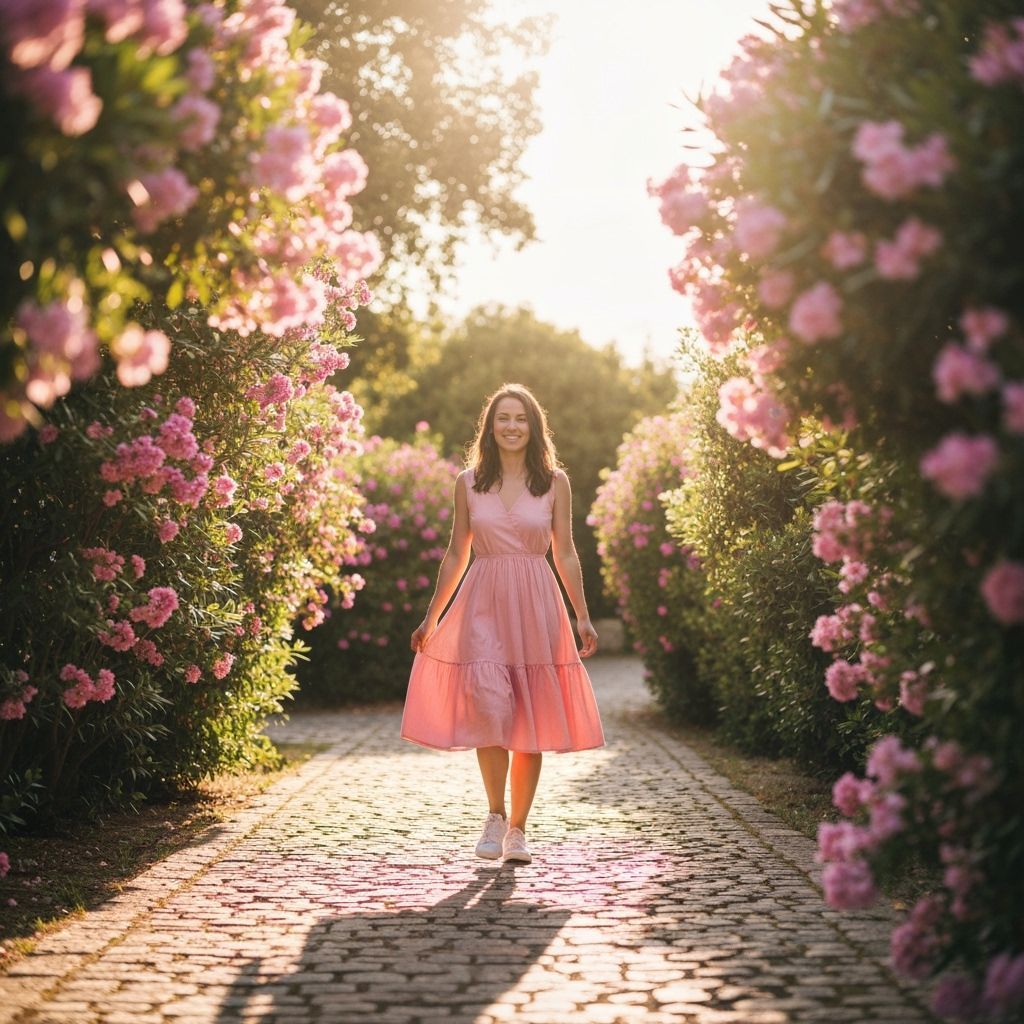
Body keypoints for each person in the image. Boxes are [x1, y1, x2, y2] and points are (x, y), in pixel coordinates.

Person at [400, 383, 605, 865]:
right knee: (489, 707)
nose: (512, 426)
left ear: (534, 427)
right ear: (490, 428)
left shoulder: (554, 482)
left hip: (536, 604)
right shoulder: (468, 481)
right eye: (503, 418)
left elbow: (565, 552)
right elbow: (457, 553)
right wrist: (432, 616)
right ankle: (495, 815)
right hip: (484, 602)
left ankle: (518, 830)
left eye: (521, 418)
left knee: (530, 717)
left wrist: (582, 615)